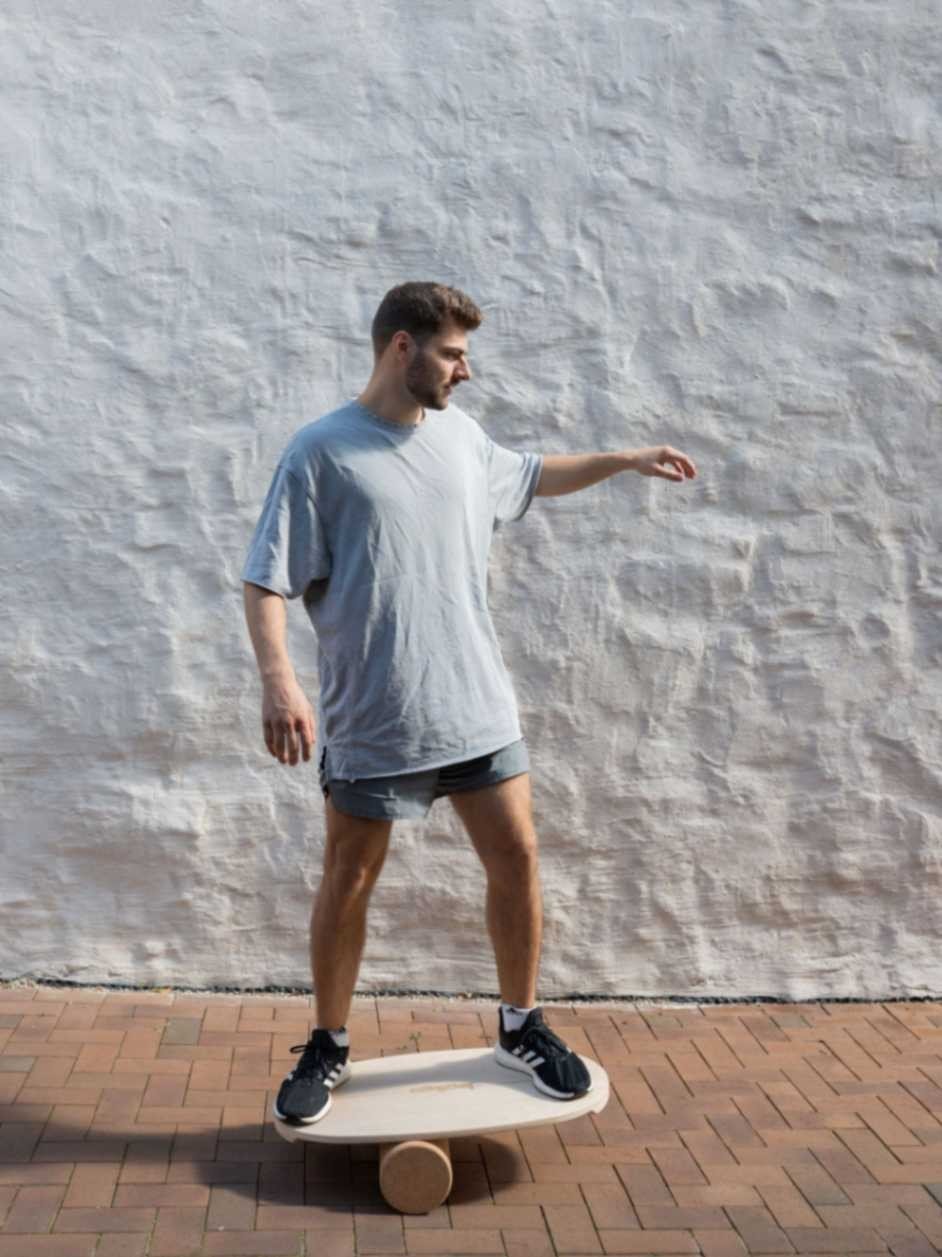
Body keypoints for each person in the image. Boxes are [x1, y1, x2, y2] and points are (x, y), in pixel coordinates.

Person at [241, 281, 697, 1126]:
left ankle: (521, 1027)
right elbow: (265, 578)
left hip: (477, 710)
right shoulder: (321, 452)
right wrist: (279, 679)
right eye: (453, 353)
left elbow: (534, 475)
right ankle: (329, 1044)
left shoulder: (460, 437)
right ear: (402, 349)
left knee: (517, 859)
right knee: (349, 880)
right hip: (376, 719)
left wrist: (625, 460)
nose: (467, 370)